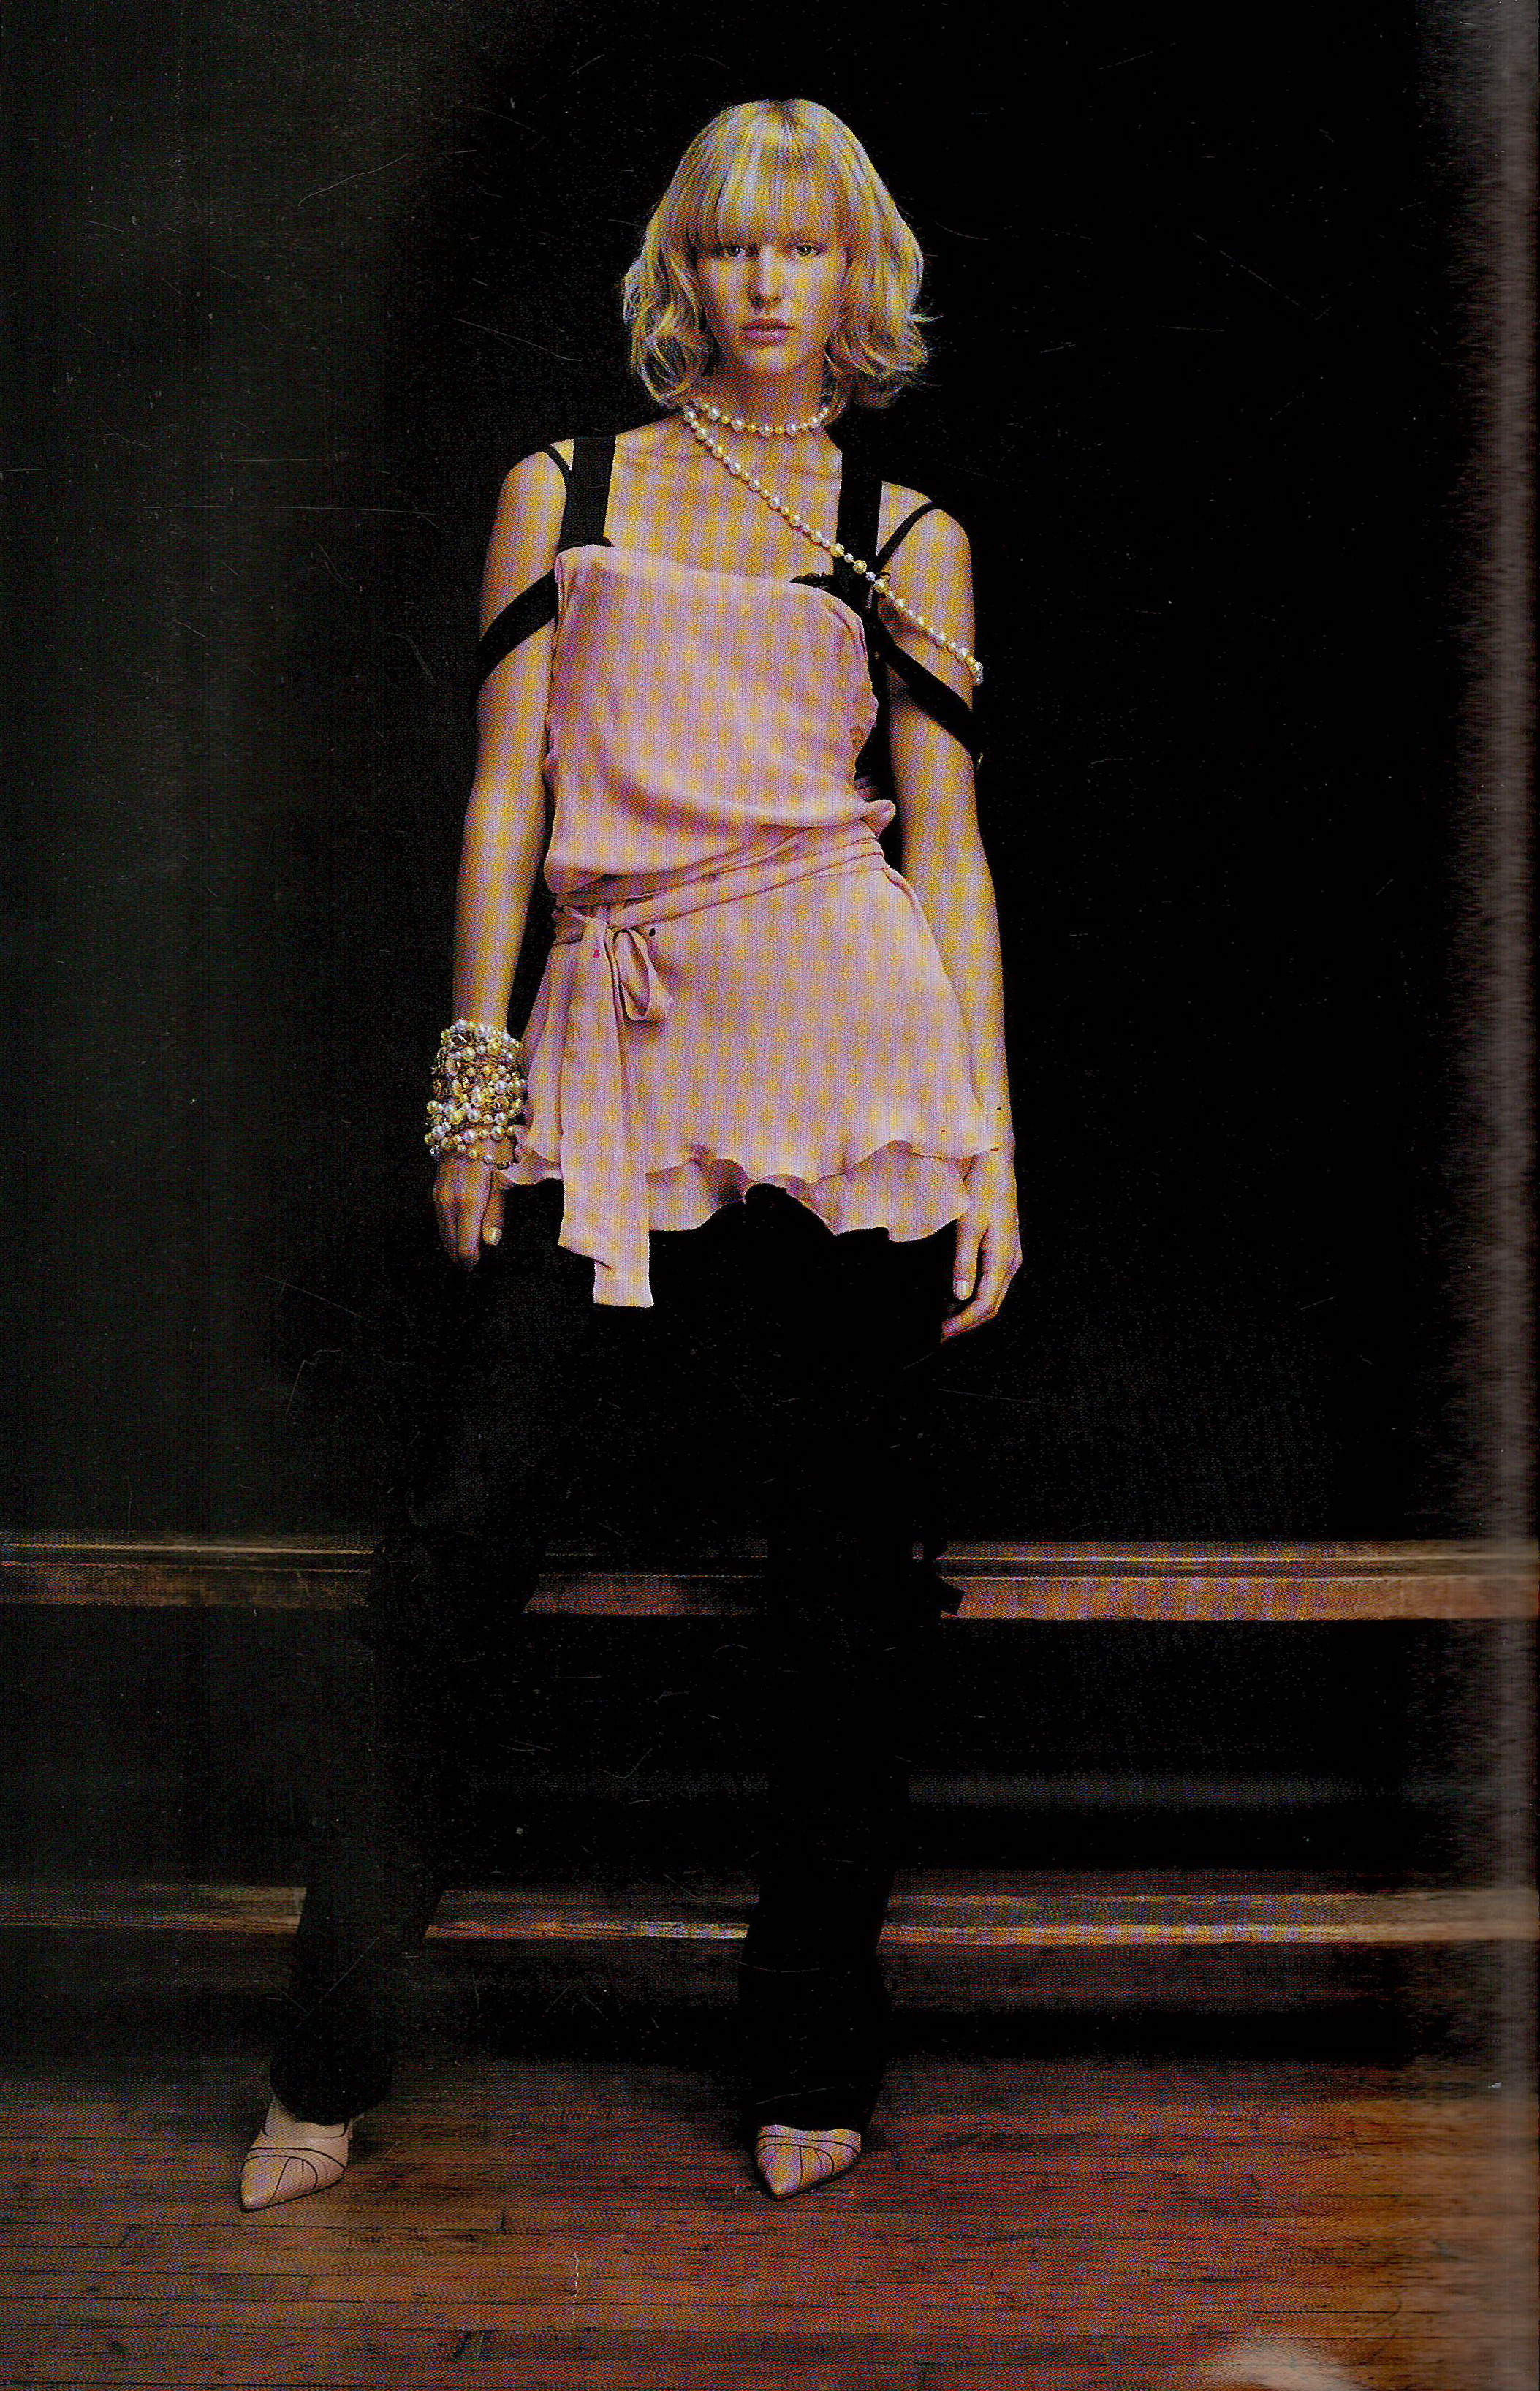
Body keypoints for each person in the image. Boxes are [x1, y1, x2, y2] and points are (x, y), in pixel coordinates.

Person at [239, 95, 1019, 2213]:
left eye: (804, 246)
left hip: (849, 1056)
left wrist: (994, 1147)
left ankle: (809, 2060)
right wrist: (471, 1085)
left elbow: (946, 853)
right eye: (732, 244)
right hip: (611, 1054)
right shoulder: (563, 492)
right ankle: (325, 2065)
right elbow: (507, 797)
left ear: (858, 277)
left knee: (846, 1580)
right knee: (454, 1548)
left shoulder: (906, 529)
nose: (767, 281)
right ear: (682, 267)